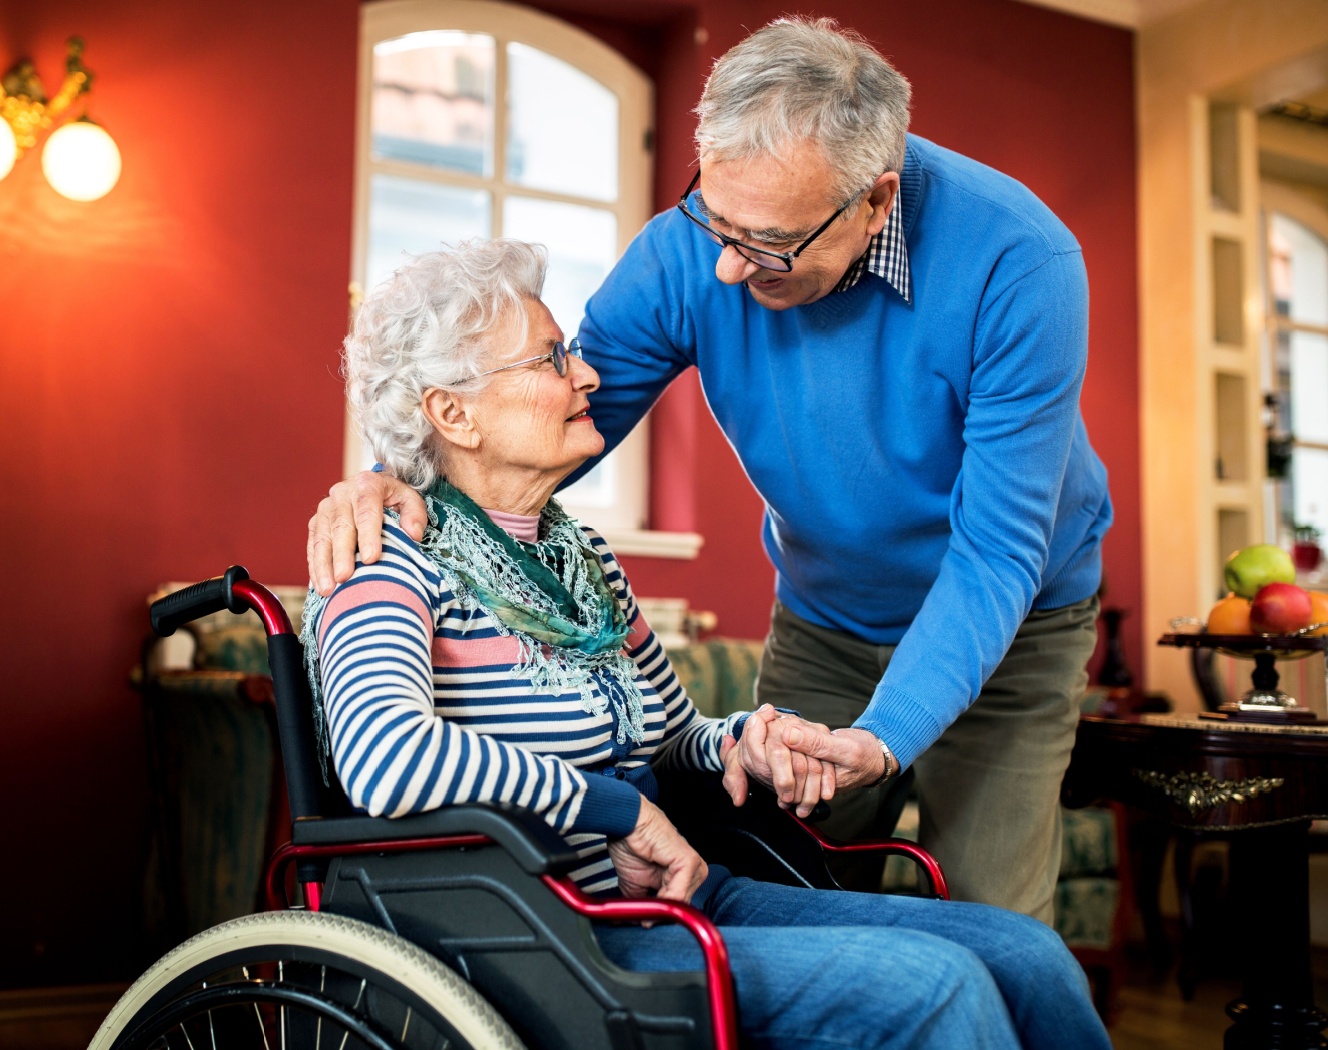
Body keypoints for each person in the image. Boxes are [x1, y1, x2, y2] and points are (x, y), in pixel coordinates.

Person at [307, 16, 1111, 922]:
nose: (726, 265)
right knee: (783, 881)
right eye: (715, 218)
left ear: (875, 201)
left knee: (999, 919)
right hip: (831, 616)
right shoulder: (693, 247)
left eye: (767, 244)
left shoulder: (1019, 263)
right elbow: (549, 411)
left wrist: (888, 736)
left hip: (1013, 622)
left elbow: (998, 551)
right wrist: (394, 475)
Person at [302, 238, 1110, 1050]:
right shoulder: (381, 561)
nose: (587, 376)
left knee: (1025, 954)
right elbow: (385, 758)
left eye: (573, 352)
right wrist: (618, 810)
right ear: (453, 413)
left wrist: (748, 741)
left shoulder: (583, 562)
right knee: (936, 988)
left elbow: (673, 734)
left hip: (667, 900)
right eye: (552, 359)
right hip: (545, 941)